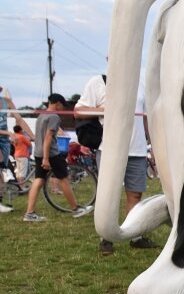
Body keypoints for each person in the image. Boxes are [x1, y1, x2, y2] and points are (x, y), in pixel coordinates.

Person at [75, 74, 158, 254]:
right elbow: (78, 110)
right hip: (110, 149)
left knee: (135, 194)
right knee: (108, 195)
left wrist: (152, 145)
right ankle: (106, 238)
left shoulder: (139, 84)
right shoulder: (98, 82)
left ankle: (135, 235)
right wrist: (104, 109)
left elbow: (143, 118)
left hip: (137, 149)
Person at [22, 94, 93, 222]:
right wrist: (46, 158)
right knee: (64, 179)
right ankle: (75, 208)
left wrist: (42, 156)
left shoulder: (41, 115)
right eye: (62, 105)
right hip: (51, 154)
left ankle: (29, 213)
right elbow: (49, 137)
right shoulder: (54, 117)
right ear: (57, 103)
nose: (62, 107)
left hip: (38, 152)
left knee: (38, 180)